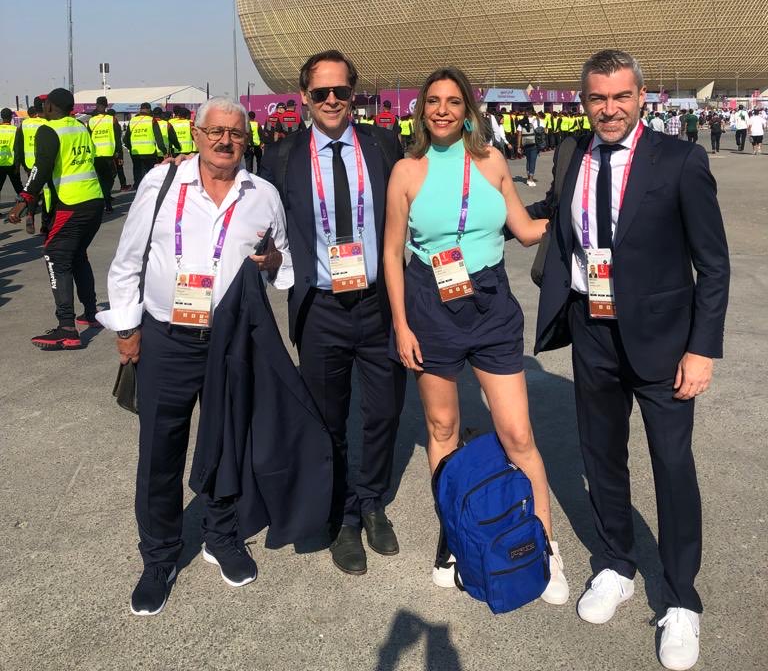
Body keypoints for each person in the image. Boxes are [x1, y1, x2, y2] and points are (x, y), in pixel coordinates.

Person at [531, 49, 729, 671]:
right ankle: (616, 562)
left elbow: (714, 265)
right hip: (594, 331)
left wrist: (702, 348)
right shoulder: (573, 156)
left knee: (672, 465)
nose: (609, 109)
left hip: (665, 342)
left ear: (641, 97)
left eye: (620, 97)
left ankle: (680, 598)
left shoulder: (679, 159)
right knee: (600, 456)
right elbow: (551, 222)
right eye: (597, 99)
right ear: (583, 101)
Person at [96, 97, 290, 616]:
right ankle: (158, 556)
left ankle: (220, 535)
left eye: (236, 134)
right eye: (215, 132)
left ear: (247, 141)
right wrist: (127, 330)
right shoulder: (161, 184)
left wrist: (273, 260)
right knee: (160, 448)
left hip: (230, 339)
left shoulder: (263, 195)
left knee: (227, 441)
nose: (225, 141)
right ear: (196, 134)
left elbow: (282, 262)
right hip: (166, 336)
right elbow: (128, 261)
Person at [383, 67, 568, 601]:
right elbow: (393, 254)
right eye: (434, 101)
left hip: (490, 304)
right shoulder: (407, 171)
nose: (442, 110)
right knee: (443, 430)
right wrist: (400, 324)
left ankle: (544, 547)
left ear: (468, 109)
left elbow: (527, 230)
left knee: (518, 435)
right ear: (422, 109)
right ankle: (457, 539)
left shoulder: (491, 161)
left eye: (453, 101)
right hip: (429, 306)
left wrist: (578, 210)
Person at [260, 50, 406, 577]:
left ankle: (371, 500)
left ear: (353, 94)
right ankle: (341, 513)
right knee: (329, 419)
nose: (330, 101)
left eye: (340, 92)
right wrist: (184, 168)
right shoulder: (280, 157)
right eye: (320, 92)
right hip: (320, 307)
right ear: (304, 97)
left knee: (386, 411)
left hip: (379, 303)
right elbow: (246, 198)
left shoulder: (382, 145)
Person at [7, 88, 105, 350]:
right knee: (78, 256)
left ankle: (66, 328)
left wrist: (24, 199)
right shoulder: (80, 128)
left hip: (70, 204)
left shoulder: (48, 130)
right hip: (93, 201)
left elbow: (41, 168)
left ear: (50, 107)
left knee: (56, 258)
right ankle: (91, 312)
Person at [88, 96, 124, 212]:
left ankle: (102, 199)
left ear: (97, 105)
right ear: (106, 106)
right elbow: (118, 138)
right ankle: (107, 201)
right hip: (109, 154)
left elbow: (88, 139)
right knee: (110, 179)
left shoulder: (91, 121)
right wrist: (119, 153)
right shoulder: (112, 119)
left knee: (100, 179)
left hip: (96, 155)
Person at [19, 104, 46, 232]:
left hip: (30, 164)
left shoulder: (24, 124)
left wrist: (23, 164)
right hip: (45, 162)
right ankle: (45, 225)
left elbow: (19, 146)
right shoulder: (46, 122)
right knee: (47, 193)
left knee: (33, 191)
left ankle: (30, 214)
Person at [124, 103, 165, 188]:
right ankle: (151, 194)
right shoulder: (152, 120)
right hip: (150, 153)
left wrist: (131, 148)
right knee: (151, 175)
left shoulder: (133, 120)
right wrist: (164, 150)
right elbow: (159, 138)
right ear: (149, 110)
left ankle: (138, 194)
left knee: (138, 175)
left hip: (136, 154)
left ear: (140, 110)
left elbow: (126, 139)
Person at [0, 107, 23, 203]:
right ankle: (25, 206)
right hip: (12, 164)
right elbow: (18, 150)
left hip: (0, 164)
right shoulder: (15, 130)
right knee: (18, 187)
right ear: (11, 117)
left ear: (1, 117)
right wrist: (18, 165)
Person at [516, 112, 541, 187]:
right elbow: (540, 132)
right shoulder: (536, 120)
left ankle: (528, 177)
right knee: (533, 161)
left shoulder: (521, 122)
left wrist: (518, 146)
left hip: (525, 144)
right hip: (534, 144)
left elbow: (519, 134)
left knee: (528, 160)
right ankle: (531, 179)